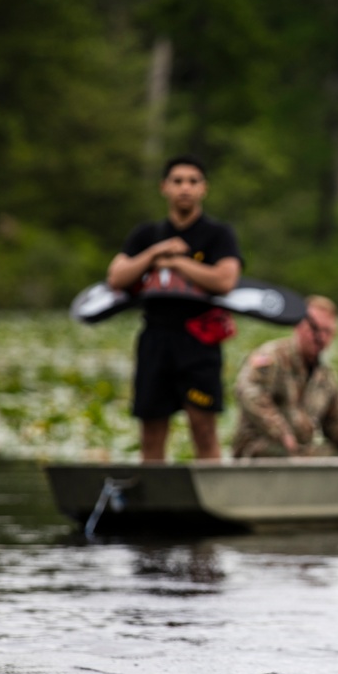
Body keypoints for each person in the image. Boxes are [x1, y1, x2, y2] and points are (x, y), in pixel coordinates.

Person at [106, 155, 242, 462]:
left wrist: (177, 262)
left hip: (199, 341)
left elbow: (225, 280)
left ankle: (211, 499)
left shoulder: (218, 234)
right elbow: (116, 277)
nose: (185, 188)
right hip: (155, 338)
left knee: (203, 426)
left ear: (203, 189)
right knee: (151, 431)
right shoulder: (147, 235)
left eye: (193, 182)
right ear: (164, 187)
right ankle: (153, 501)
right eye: (178, 181)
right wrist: (157, 252)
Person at [232, 296, 338, 458]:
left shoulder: (325, 376)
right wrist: (281, 432)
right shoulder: (271, 358)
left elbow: (336, 422)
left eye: (327, 331)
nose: (320, 337)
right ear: (298, 326)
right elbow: (250, 393)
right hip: (260, 448)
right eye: (314, 329)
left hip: (300, 451)